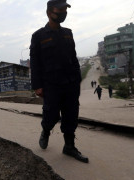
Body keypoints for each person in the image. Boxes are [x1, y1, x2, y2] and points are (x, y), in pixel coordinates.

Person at [30, 0, 88, 163]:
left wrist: (78, 80)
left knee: (71, 115)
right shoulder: (38, 36)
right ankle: (46, 130)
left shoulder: (68, 33)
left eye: (65, 10)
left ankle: (69, 146)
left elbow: (73, 58)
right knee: (51, 114)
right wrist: (37, 85)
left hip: (70, 83)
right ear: (49, 13)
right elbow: (34, 62)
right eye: (59, 10)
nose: (63, 13)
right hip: (51, 84)